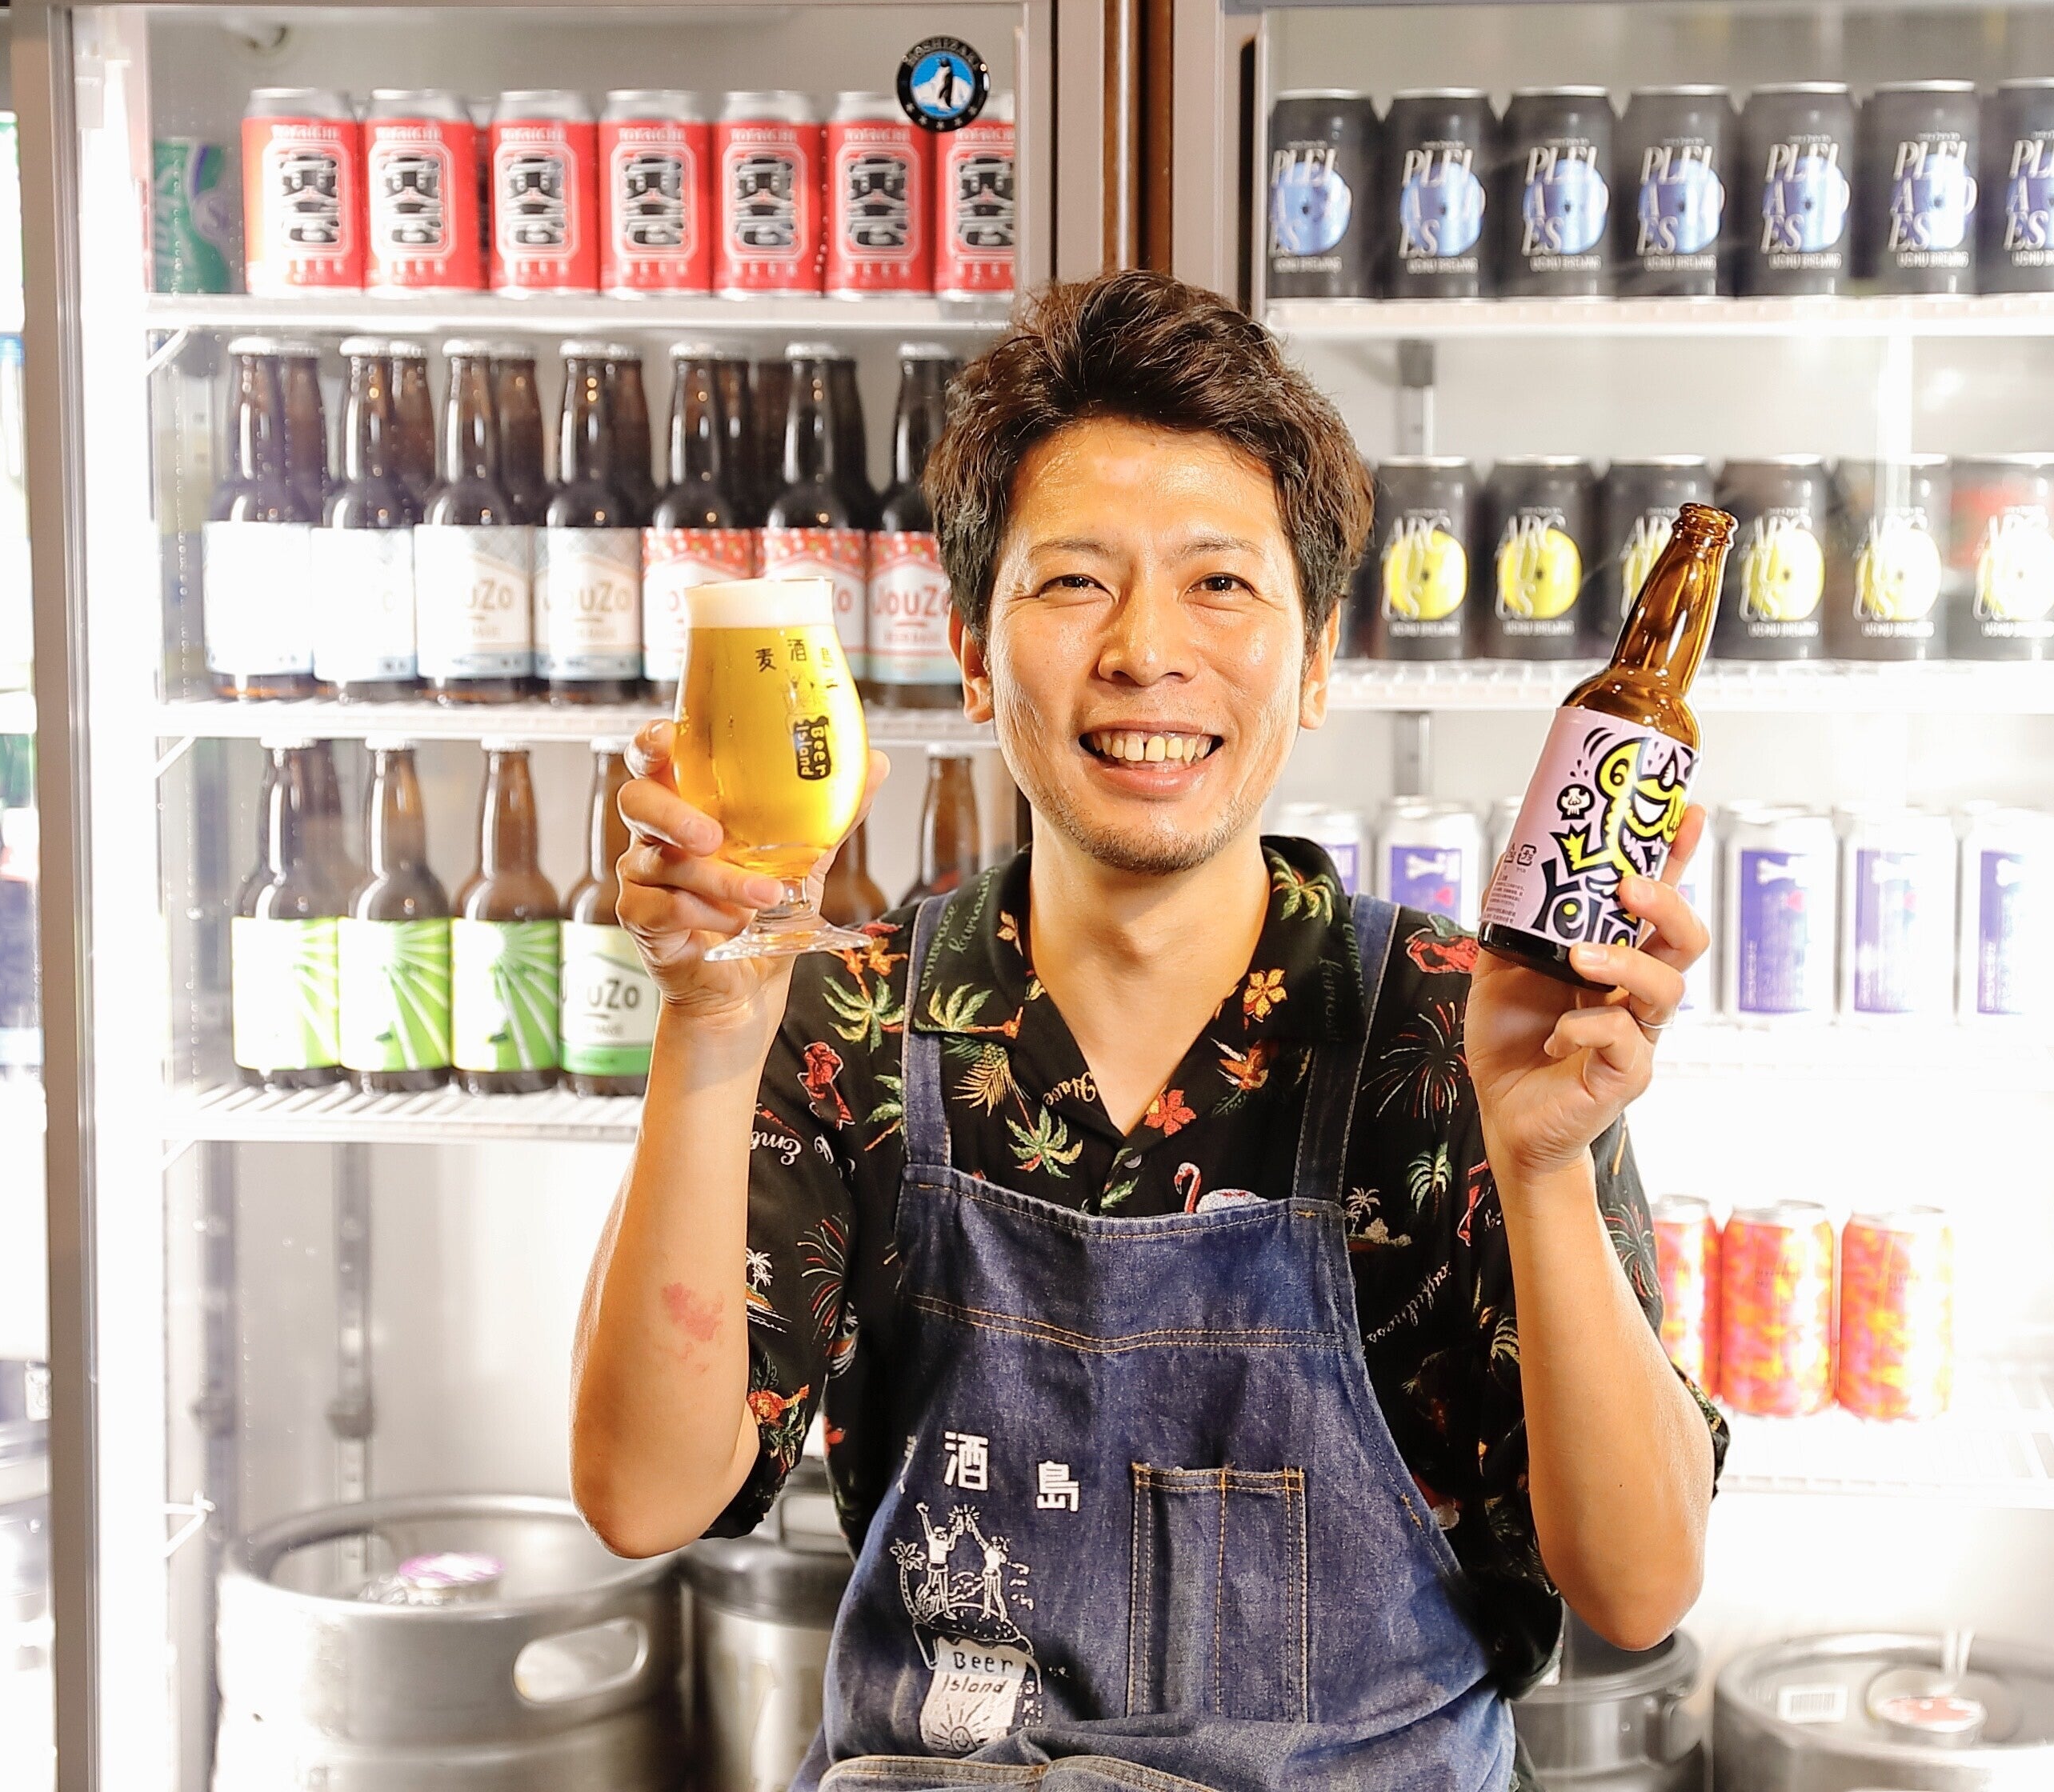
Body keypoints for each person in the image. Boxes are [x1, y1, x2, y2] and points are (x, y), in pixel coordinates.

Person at [572, 270, 1726, 1792]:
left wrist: (1547, 1163)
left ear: (1318, 663)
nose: (1144, 651)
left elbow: (1639, 1587)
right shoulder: (849, 1012)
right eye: (1071, 582)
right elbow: (644, 1496)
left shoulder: (1461, 1023)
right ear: (973, 654)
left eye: (1220, 584)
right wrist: (710, 1023)